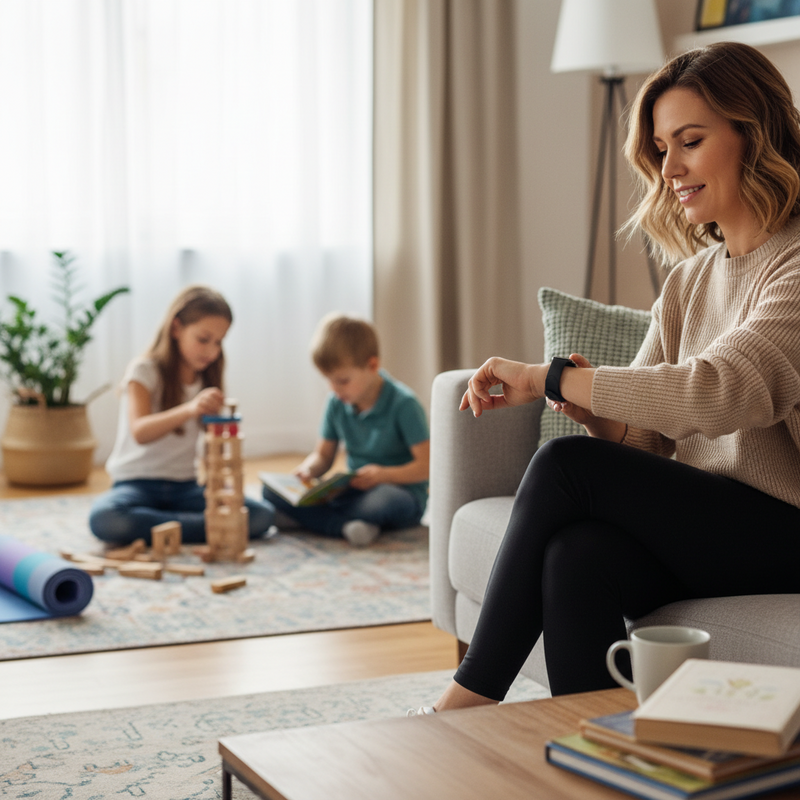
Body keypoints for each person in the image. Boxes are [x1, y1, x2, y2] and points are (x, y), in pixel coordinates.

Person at [409, 41, 800, 716]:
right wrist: (597, 412)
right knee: (577, 554)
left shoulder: (793, 265)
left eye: (690, 141)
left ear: (753, 133)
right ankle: (599, 755)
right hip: (725, 526)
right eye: (660, 148)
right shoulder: (689, 281)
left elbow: (721, 388)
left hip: (789, 529)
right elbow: (645, 442)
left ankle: (466, 701)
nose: (669, 168)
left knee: (566, 464)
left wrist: (550, 378)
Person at [89, 285, 276, 545]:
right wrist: (190, 409)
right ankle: (202, 528)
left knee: (261, 516)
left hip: (185, 487)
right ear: (176, 328)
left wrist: (224, 489)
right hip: (136, 483)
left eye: (219, 342)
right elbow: (140, 432)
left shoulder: (207, 380)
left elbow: (215, 448)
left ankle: (164, 527)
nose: (211, 351)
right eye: (203, 339)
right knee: (106, 519)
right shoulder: (144, 371)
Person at [263, 313, 429, 547]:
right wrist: (307, 471)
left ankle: (316, 520)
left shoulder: (405, 404)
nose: (334, 389)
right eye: (328, 380)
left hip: (399, 492)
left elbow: (427, 466)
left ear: (372, 366)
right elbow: (323, 456)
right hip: (354, 490)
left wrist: (384, 475)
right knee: (270, 493)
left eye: (342, 380)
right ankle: (348, 526)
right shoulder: (336, 402)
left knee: (379, 503)